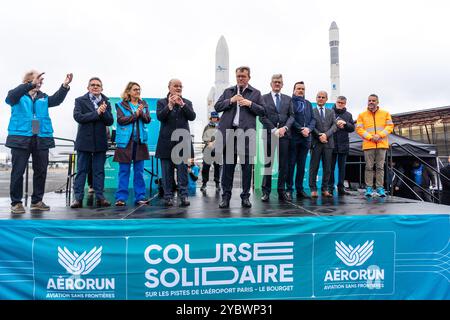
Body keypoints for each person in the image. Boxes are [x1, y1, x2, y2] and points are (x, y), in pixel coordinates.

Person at [5, 70, 72, 214]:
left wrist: (64, 86)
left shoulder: (43, 97)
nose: (39, 82)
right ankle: (16, 203)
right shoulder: (17, 95)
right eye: (37, 80)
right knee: (18, 171)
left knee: (41, 170)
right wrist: (29, 85)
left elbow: (57, 100)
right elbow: (9, 98)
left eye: (41, 81)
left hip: (41, 138)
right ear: (28, 81)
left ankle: (37, 201)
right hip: (20, 138)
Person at [214, 66, 265, 208]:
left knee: (247, 168)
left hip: (246, 135)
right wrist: (230, 100)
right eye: (238, 76)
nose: (240, 78)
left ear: (249, 77)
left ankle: (245, 197)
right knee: (228, 168)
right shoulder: (228, 91)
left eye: (243, 76)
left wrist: (250, 104)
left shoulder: (256, 93)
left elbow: (263, 111)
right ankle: (225, 197)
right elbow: (217, 107)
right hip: (230, 134)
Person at [70, 77, 114, 208]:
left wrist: (104, 111)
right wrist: (96, 113)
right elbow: (78, 117)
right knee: (82, 171)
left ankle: (100, 197)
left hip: (100, 142)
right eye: (93, 85)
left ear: (102, 88)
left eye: (98, 85)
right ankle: (77, 199)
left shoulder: (106, 102)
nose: (95, 87)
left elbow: (110, 121)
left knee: (99, 171)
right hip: (84, 142)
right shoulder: (79, 101)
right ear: (88, 87)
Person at [156, 79, 196, 207]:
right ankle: (168, 196)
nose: (178, 88)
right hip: (166, 143)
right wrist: (170, 105)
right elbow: (160, 117)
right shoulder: (161, 102)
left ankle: (183, 196)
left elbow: (192, 116)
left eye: (180, 86)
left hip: (182, 144)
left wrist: (182, 105)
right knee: (167, 173)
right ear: (169, 87)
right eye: (175, 86)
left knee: (182, 172)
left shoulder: (187, 102)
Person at [113, 82, 151, 206]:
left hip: (140, 142)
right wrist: (136, 115)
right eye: (135, 89)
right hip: (125, 143)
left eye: (139, 89)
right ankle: (121, 198)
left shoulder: (143, 103)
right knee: (124, 171)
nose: (137, 92)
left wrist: (142, 113)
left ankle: (140, 197)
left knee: (139, 171)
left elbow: (148, 120)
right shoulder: (120, 105)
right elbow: (121, 120)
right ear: (128, 91)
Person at [260, 74, 294, 202]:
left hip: (284, 135)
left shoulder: (288, 99)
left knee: (283, 165)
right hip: (269, 134)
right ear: (271, 84)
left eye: (279, 82)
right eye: (275, 82)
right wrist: (274, 129)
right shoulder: (263, 98)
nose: (277, 84)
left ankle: (281, 191)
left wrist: (285, 128)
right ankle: (266, 191)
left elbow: (292, 116)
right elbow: (262, 117)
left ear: (282, 84)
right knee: (268, 164)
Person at [356, 94, 394, 197]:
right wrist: (370, 137)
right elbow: (359, 129)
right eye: (369, 100)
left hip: (381, 144)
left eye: (373, 100)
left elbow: (390, 126)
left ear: (377, 102)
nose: (371, 102)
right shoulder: (362, 115)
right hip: (369, 144)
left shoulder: (385, 113)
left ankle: (380, 188)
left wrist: (380, 135)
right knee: (369, 167)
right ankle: (368, 188)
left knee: (380, 167)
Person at [287, 81, 316, 199]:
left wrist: (308, 129)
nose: (300, 90)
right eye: (298, 88)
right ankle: (289, 189)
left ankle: (300, 190)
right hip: (293, 138)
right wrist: (301, 129)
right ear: (294, 90)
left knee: (301, 166)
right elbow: (290, 118)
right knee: (291, 165)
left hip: (305, 139)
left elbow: (313, 120)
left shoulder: (308, 104)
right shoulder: (290, 102)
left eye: (303, 89)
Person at [309, 91, 337, 198]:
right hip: (316, 143)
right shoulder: (312, 111)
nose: (321, 98)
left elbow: (334, 126)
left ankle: (325, 189)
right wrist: (319, 135)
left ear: (326, 99)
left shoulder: (331, 112)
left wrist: (325, 135)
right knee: (313, 167)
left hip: (328, 143)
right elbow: (310, 125)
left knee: (328, 168)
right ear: (316, 98)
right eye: (319, 97)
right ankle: (313, 189)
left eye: (323, 97)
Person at [328, 96, 355, 196]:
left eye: (342, 103)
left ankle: (341, 188)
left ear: (345, 104)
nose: (340, 104)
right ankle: (330, 188)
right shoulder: (330, 112)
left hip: (343, 144)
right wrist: (336, 123)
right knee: (330, 168)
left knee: (342, 168)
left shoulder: (348, 115)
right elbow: (325, 125)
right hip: (331, 144)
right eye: (338, 102)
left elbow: (352, 128)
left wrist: (345, 123)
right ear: (335, 102)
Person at [200, 111, 221, 192]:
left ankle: (217, 183)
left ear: (217, 118)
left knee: (217, 167)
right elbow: (203, 137)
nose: (214, 119)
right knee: (205, 167)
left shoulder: (220, 126)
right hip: (208, 149)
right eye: (213, 118)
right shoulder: (207, 127)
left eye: (216, 118)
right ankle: (204, 183)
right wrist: (208, 143)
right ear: (211, 118)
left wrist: (214, 143)